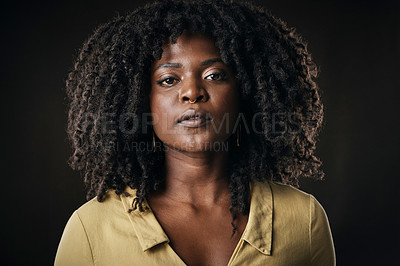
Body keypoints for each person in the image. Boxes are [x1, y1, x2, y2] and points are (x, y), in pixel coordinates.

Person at [55, 0, 335, 265]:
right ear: (142, 102)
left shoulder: (304, 221)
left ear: (246, 94)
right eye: (168, 80)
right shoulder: (91, 229)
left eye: (214, 75)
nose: (192, 92)